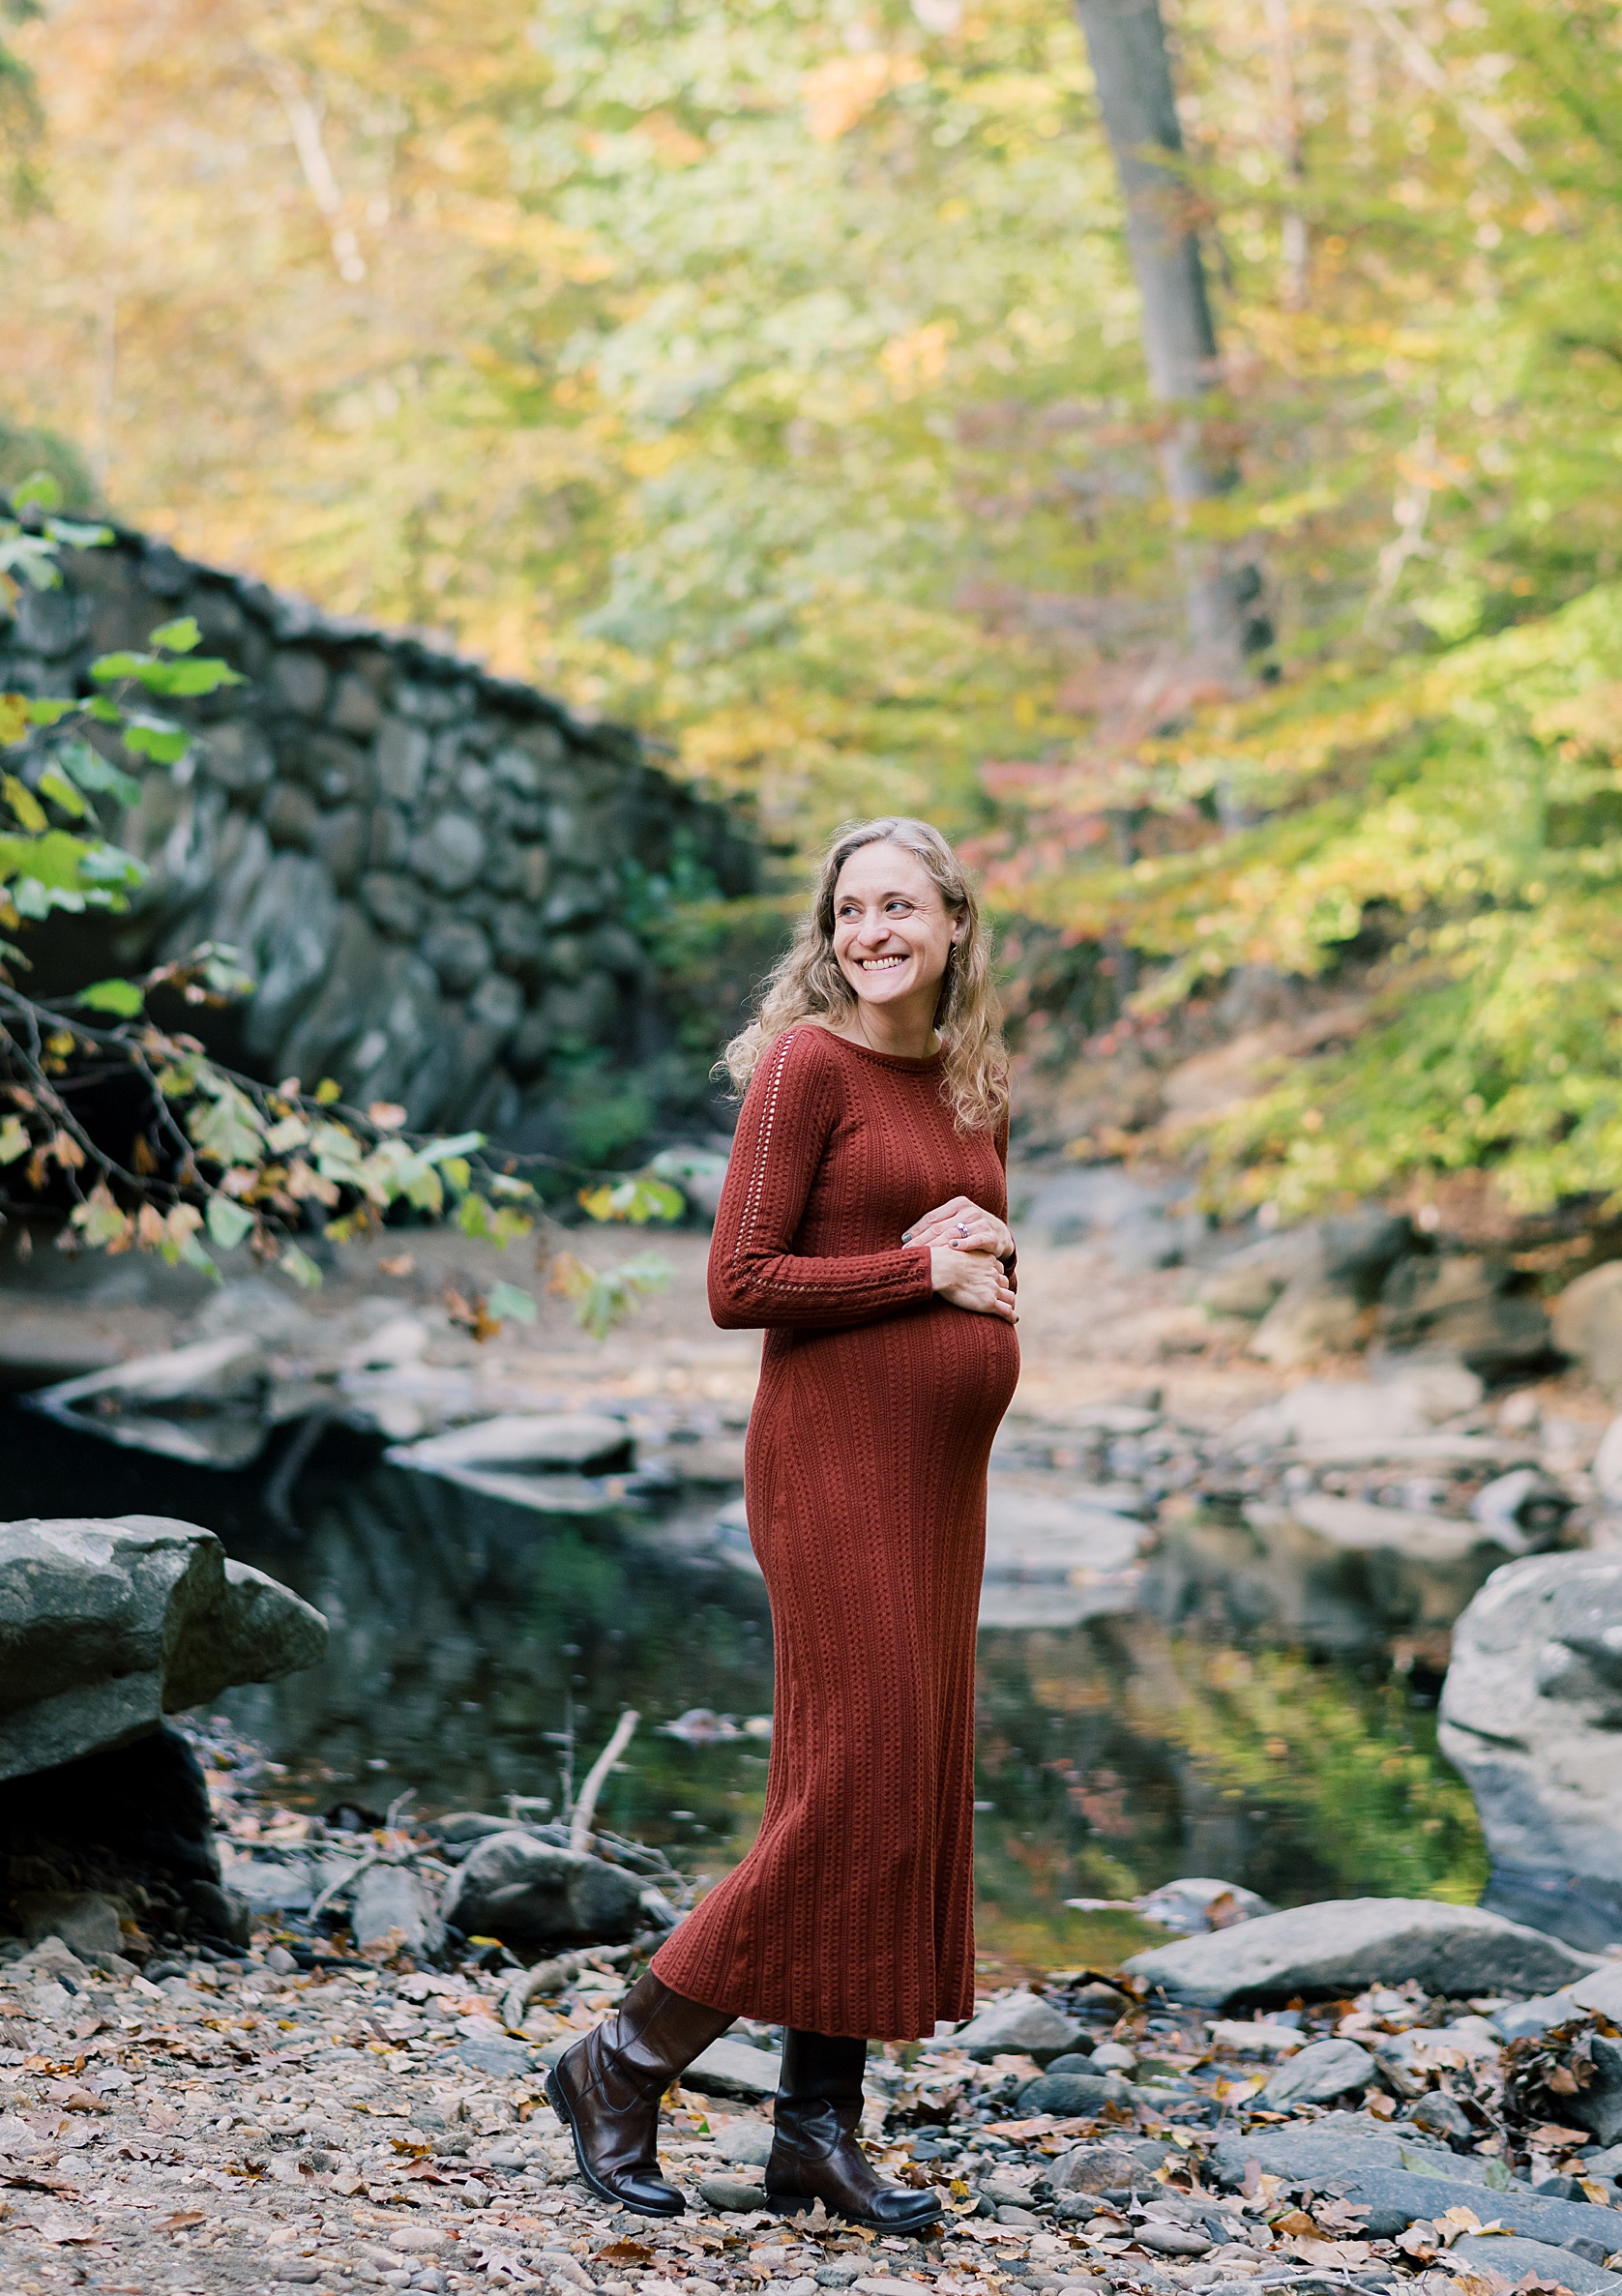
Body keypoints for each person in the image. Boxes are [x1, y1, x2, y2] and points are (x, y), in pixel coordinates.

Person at [547, 816, 1020, 2228]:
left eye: (898, 906)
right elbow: (741, 1280)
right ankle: (623, 2058)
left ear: (953, 924)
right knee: (848, 1784)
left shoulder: (974, 1080)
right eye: (849, 909)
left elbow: (965, 1258)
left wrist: (983, 1262)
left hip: (938, 1485)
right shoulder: (809, 1066)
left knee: (903, 1782)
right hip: (833, 1468)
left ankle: (817, 2128)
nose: (871, 930)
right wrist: (917, 1271)